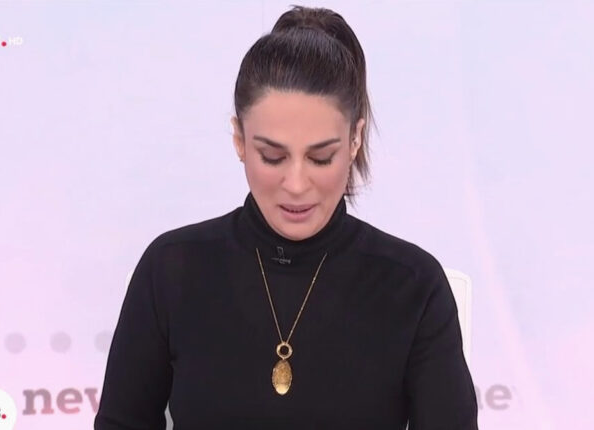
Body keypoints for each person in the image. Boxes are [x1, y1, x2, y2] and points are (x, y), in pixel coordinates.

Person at [94, 5, 478, 429]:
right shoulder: (172, 269)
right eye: (272, 156)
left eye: (321, 157)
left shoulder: (413, 286)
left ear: (355, 139)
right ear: (239, 140)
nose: (296, 184)